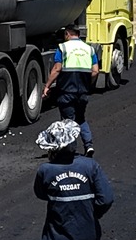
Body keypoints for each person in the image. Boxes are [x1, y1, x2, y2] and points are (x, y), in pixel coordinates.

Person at [42, 25, 99, 156]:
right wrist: (86, 83)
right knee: (81, 118)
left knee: (68, 121)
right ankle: (88, 146)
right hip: (83, 92)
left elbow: (57, 69)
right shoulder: (89, 49)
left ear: (67, 34)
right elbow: (95, 71)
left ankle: (70, 150)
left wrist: (47, 86)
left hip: (66, 91)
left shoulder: (63, 48)